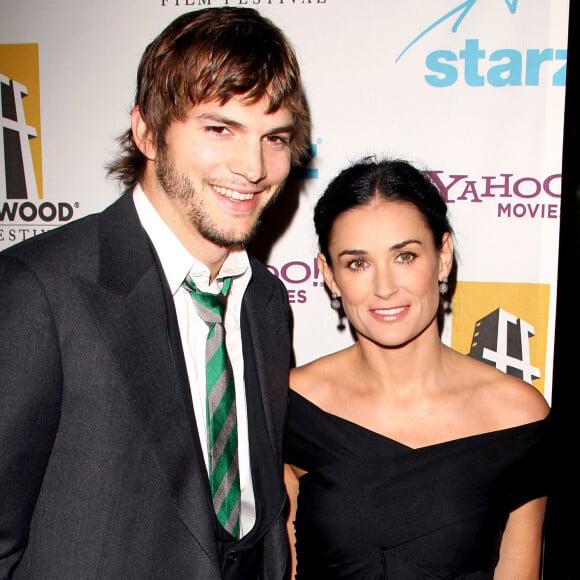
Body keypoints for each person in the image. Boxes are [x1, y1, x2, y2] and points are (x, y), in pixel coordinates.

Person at [0, 6, 310, 579]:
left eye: (275, 137)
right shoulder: (39, 291)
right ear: (146, 131)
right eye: (220, 129)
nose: (252, 166)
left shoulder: (265, 302)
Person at [284, 157, 555, 579]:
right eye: (358, 263)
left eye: (405, 256)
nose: (385, 287)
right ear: (330, 275)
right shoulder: (292, 406)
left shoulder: (515, 416)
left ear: (443, 257)